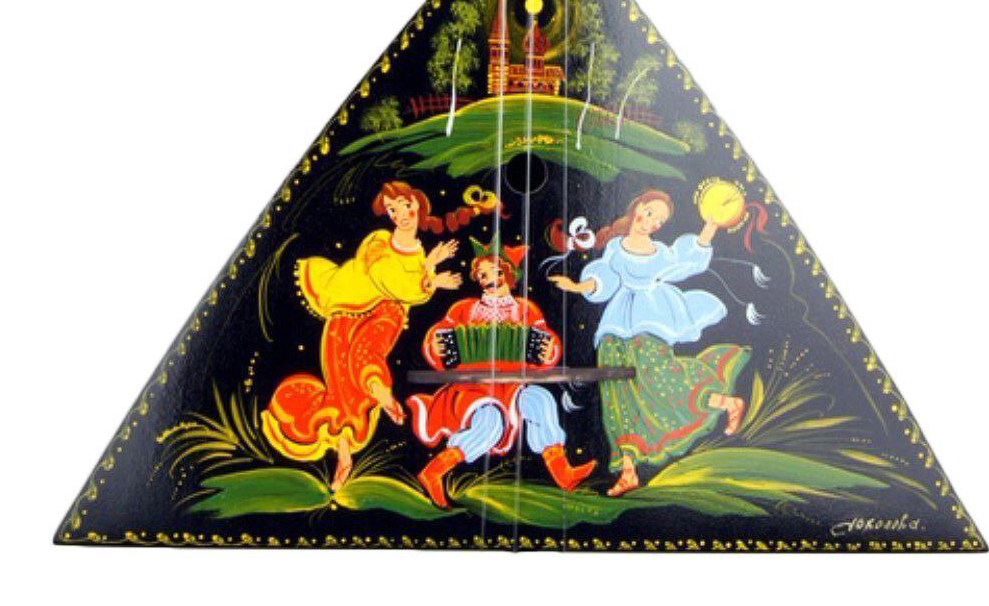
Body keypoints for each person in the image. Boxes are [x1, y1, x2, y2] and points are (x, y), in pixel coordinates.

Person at [550, 188, 749, 496]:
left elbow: (688, 262)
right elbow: (606, 278)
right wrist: (577, 286)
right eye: (651, 213)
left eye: (660, 221)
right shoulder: (615, 248)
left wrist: (710, 225)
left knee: (661, 378)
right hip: (615, 328)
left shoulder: (661, 253)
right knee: (617, 399)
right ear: (637, 206)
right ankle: (628, 470)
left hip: (650, 321)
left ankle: (724, 402)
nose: (653, 222)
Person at [265, 180, 461, 490]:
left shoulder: (418, 252)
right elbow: (391, 280)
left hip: (386, 314)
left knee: (366, 357)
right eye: (393, 210)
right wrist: (432, 277)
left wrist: (429, 266)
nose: (401, 214)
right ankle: (344, 451)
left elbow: (406, 290)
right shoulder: (378, 241)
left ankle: (380, 393)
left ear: (417, 203)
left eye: (405, 205)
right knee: (342, 388)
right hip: (349, 312)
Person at [407, 240, 595, 506]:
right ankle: (434, 472)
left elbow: (546, 343)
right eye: (482, 275)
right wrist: (435, 345)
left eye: (494, 272)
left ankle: (562, 472)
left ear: (508, 274)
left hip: (514, 386)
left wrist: (547, 350)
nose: (489, 280)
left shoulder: (525, 309)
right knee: (490, 423)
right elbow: (439, 339)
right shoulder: (463, 309)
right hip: (471, 389)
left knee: (540, 400)